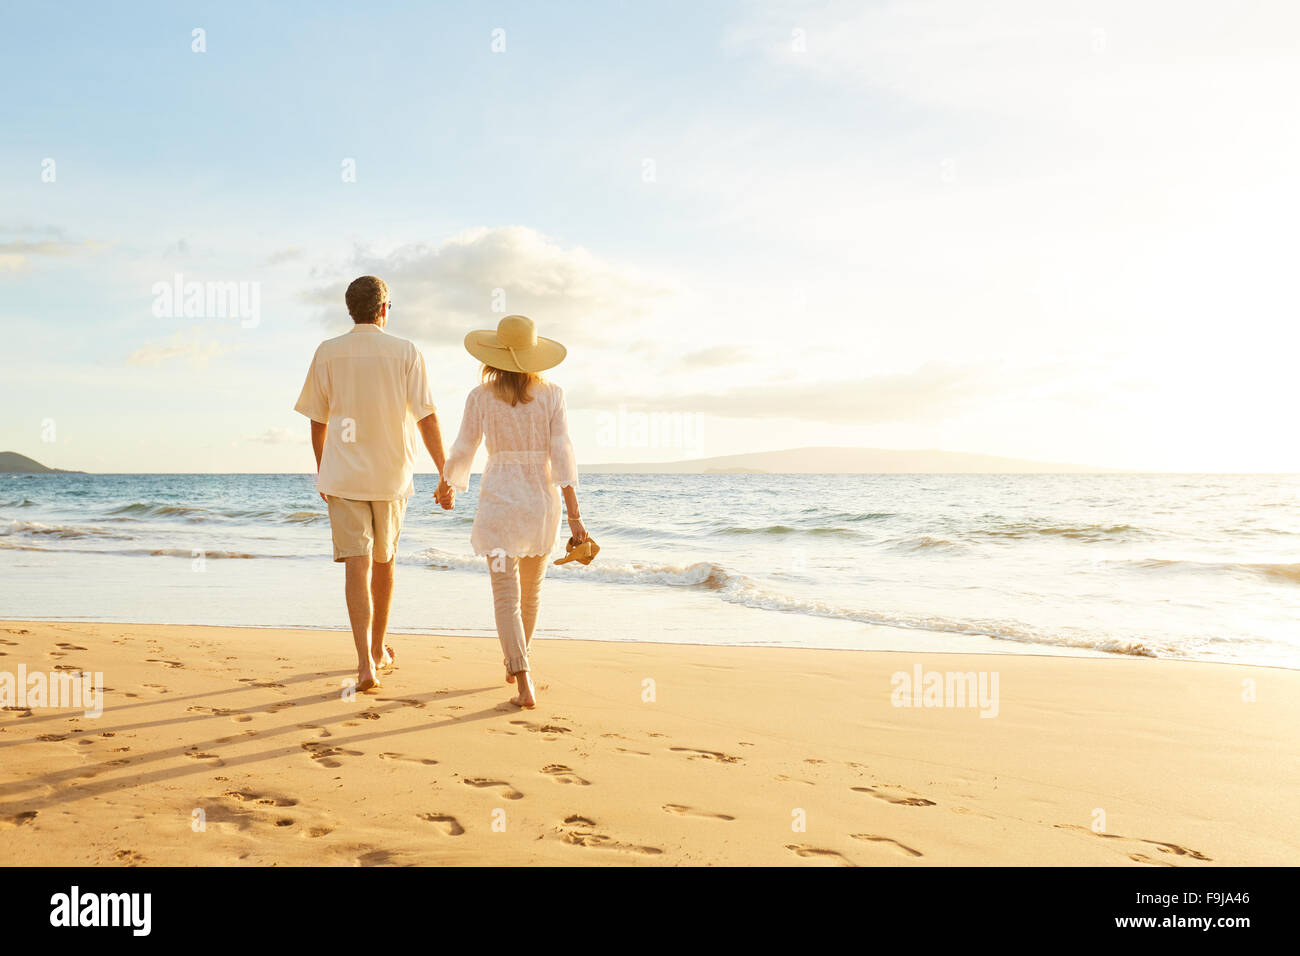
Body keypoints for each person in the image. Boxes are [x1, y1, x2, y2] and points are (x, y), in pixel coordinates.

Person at [294, 275, 453, 693]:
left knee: (356, 565)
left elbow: (318, 420)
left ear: (351, 310)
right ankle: (379, 649)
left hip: (343, 475)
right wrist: (444, 472)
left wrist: (322, 468)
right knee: (384, 562)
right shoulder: (406, 351)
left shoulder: (328, 352)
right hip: (391, 475)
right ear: (384, 310)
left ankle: (365, 663)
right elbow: (426, 416)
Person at [439, 314, 586, 709]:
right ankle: (518, 659)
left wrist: (448, 482)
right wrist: (574, 515)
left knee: (506, 597)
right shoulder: (552, 394)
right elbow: (563, 454)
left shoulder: (480, 397)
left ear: (492, 356)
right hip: (540, 502)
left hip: (500, 502)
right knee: (531, 596)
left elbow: (464, 447)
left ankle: (522, 678)